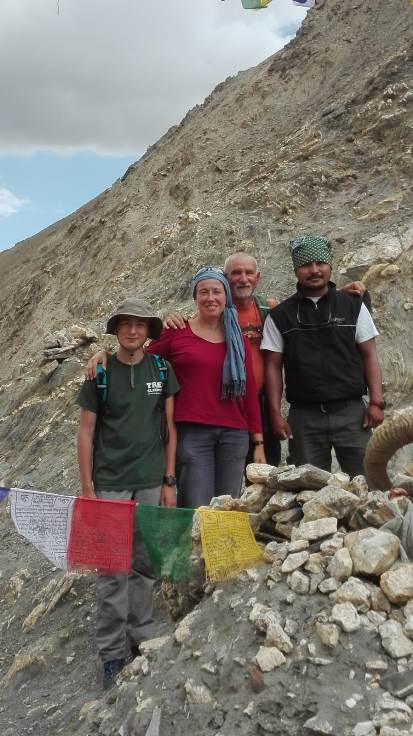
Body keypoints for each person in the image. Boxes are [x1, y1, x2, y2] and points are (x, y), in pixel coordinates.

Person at [166, 250, 366, 470]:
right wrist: (171, 320)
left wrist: (336, 294)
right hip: (226, 403)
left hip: (261, 402)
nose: (243, 279)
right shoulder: (213, 314)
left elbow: (304, 309)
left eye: (249, 273)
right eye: (236, 273)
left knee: (266, 469)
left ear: (257, 277)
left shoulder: (269, 309)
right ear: (225, 278)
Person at [85, 268, 264, 508]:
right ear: (195, 297)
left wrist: (258, 443)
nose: (210, 298)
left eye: (216, 292)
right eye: (203, 292)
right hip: (192, 433)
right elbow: (137, 359)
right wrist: (104, 353)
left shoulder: (237, 339)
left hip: (234, 434)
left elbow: (249, 393)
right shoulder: (177, 332)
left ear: (226, 296)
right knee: (195, 509)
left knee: (228, 508)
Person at [77, 298, 180, 688]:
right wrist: (88, 488)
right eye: (126, 324)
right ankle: (111, 653)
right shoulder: (99, 373)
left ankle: (142, 636)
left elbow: (169, 428)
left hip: (152, 480)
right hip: (110, 483)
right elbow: (86, 432)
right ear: (116, 330)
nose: (133, 331)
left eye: (140, 325)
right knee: (112, 569)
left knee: (144, 563)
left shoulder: (161, 369)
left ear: (149, 331)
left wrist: (169, 480)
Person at [262, 235, 384, 478]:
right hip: (304, 418)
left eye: (320, 263)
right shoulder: (280, 316)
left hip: (353, 415)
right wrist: (275, 414)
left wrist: (376, 402)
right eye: (306, 264)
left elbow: (370, 354)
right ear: (296, 270)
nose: (315, 270)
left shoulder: (353, 306)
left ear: (330, 266)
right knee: (308, 493)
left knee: (370, 485)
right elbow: (273, 368)